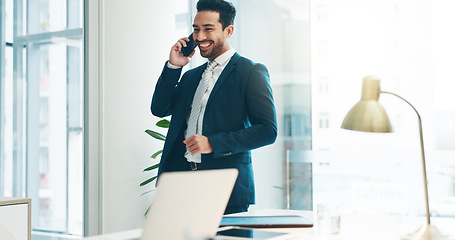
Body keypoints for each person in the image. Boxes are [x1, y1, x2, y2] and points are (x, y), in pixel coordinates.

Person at [151, 0, 277, 214]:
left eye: (208, 29)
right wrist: (174, 66)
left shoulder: (251, 72)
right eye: (196, 30)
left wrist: (213, 143)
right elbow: (160, 109)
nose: (200, 37)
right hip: (179, 184)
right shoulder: (191, 76)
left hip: (225, 186)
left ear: (228, 30)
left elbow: (267, 131)